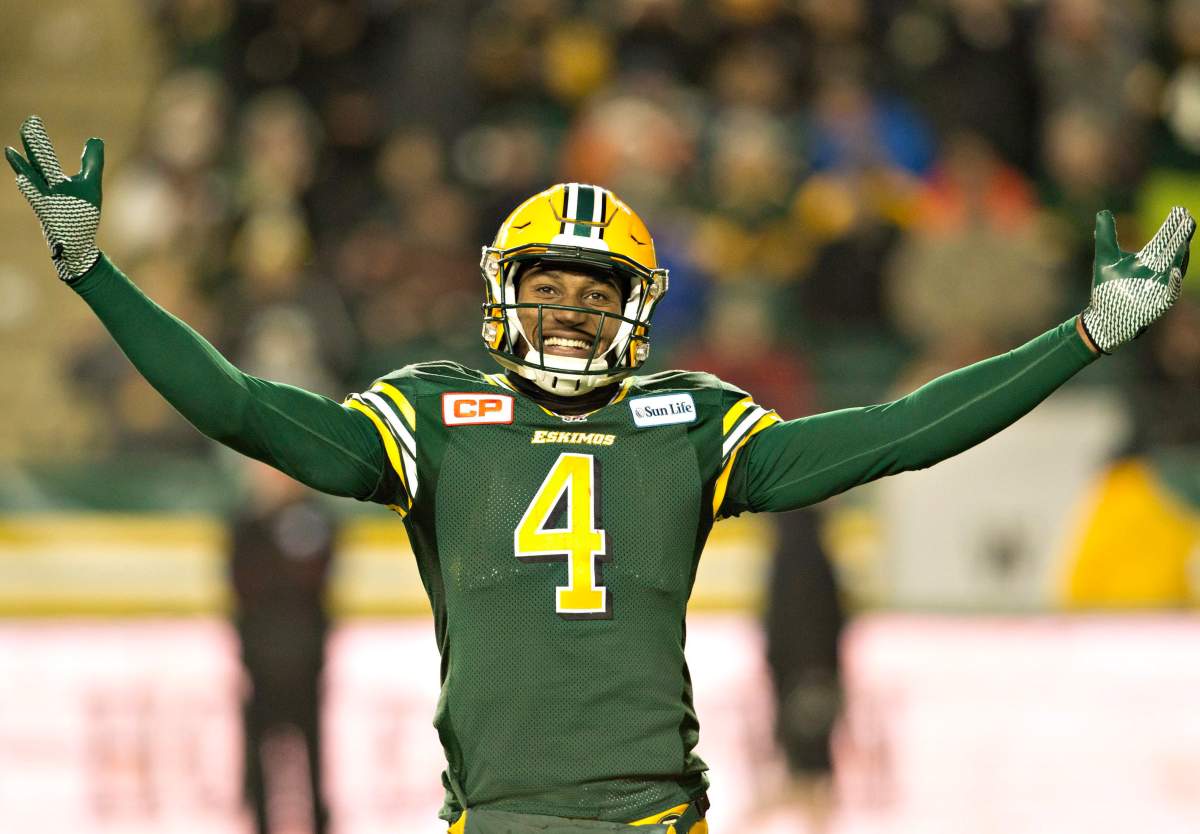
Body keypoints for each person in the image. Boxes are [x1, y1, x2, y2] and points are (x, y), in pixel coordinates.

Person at [6, 115, 1193, 834]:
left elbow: (900, 429)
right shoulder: (432, 415)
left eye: (596, 291)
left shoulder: (688, 421)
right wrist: (95, 273)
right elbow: (244, 409)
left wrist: (1080, 337)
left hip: (649, 815)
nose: (569, 311)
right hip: (495, 813)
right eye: (548, 286)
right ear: (502, 293)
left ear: (639, 307)